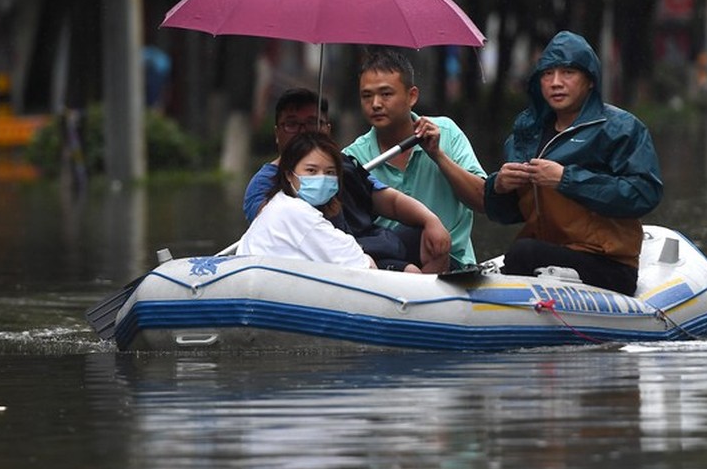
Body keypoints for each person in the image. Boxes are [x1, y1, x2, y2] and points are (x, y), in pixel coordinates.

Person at [484, 31, 663, 295]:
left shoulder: (621, 128)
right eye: (547, 74)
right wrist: (498, 187)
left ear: (589, 80)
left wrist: (566, 179)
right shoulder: (524, 136)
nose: (556, 83)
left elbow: (644, 194)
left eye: (568, 73)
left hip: (608, 263)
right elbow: (507, 215)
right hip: (543, 254)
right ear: (537, 82)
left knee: (524, 252)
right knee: (522, 252)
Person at [244, 88, 451, 273]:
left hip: (360, 244)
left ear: (326, 128)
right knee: (408, 271)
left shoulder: (345, 165)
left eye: (312, 123)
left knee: (429, 238)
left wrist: (430, 221)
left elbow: (390, 201)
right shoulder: (275, 196)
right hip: (317, 259)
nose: (303, 131)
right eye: (292, 124)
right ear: (277, 133)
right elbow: (283, 236)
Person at [343, 49, 487, 269]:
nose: (375, 104)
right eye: (367, 96)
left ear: (412, 96)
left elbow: (483, 200)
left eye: (386, 94)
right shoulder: (352, 158)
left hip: (455, 266)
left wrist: (438, 156)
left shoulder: (447, 132)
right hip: (387, 269)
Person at [238, 132, 376, 268]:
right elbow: (362, 265)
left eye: (330, 172)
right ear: (289, 175)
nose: (321, 179)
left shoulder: (280, 204)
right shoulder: (294, 212)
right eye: (311, 171)